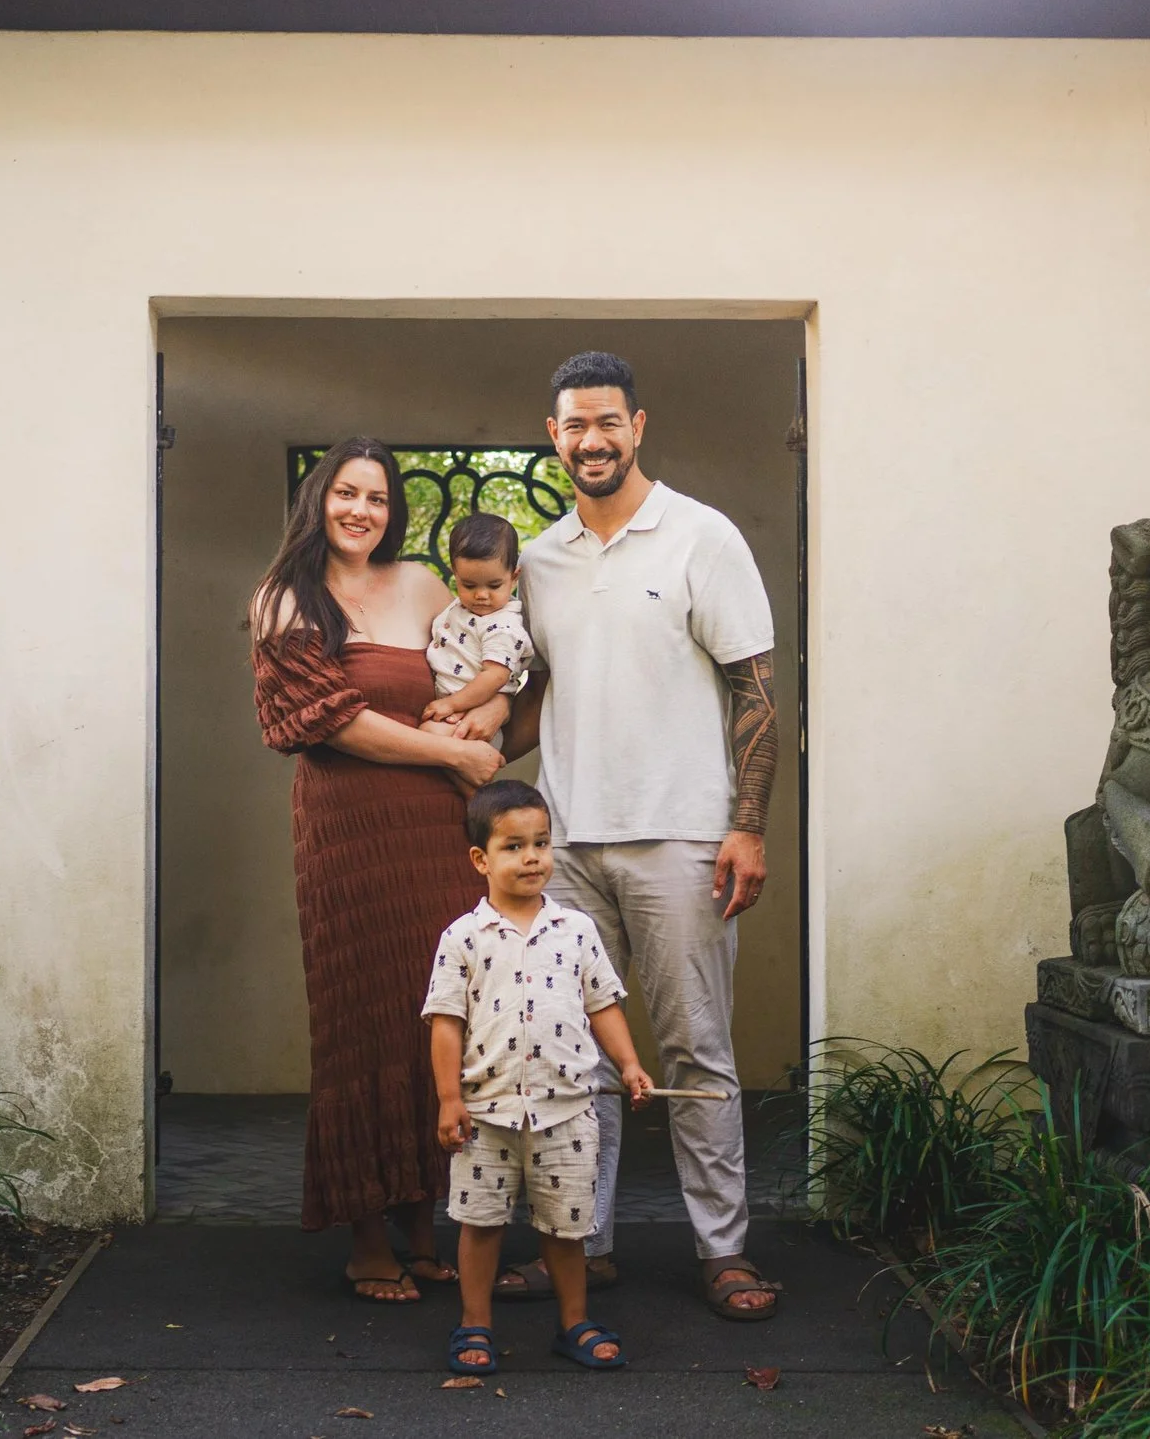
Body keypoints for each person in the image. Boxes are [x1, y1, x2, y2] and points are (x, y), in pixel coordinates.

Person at [482, 350, 787, 1322]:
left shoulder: (700, 536)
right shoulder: (539, 557)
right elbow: (529, 702)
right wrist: (443, 744)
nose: (591, 439)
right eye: (574, 425)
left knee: (696, 1050)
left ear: (638, 425)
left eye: (607, 421)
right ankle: (585, 1242)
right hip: (564, 848)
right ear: (553, 435)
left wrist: (746, 826)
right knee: (574, 1056)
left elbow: (757, 691)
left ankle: (723, 1249)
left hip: (681, 838)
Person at [252, 438, 507, 1303]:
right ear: (318, 498)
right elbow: (326, 719)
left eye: (378, 497)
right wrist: (447, 751)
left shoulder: (429, 587)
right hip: (349, 834)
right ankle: (367, 1236)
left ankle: (423, 1226)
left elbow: (496, 669)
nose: (362, 509)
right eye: (346, 492)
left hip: (437, 831)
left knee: (438, 1014)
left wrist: (487, 723)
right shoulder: (283, 598)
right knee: (362, 1015)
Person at [424, 781, 654, 1375]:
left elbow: (604, 1003)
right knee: (479, 1224)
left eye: (542, 843)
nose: (532, 857)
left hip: (566, 1111)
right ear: (481, 858)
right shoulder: (462, 938)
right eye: (514, 846)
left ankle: (574, 1322)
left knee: (566, 1226)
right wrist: (450, 1098)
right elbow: (446, 1023)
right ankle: (474, 1325)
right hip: (486, 1113)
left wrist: (628, 1063)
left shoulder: (576, 930)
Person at [419, 513, 535, 738]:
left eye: (494, 585)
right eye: (469, 585)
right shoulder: (459, 609)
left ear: (514, 577)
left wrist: (452, 704)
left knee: (429, 736)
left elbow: (495, 676)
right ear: (455, 574)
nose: (481, 595)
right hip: (452, 710)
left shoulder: (503, 627)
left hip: (474, 717)